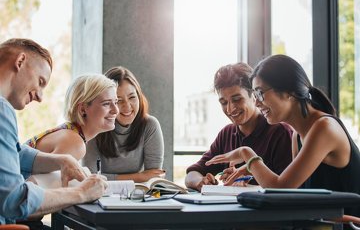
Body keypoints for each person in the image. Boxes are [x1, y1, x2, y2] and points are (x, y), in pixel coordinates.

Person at [206, 54, 360, 218]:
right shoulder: (297, 136)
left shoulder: (324, 128)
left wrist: (247, 155)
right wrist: (252, 170)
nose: (257, 103)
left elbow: (280, 189)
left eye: (259, 93)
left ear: (288, 92)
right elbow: (292, 194)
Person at [0, 38, 107, 226]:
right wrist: (81, 193)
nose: (40, 97)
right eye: (40, 82)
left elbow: (13, 153)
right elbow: (14, 201)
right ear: (20, 62)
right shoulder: (2, 110)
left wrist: (61, 160)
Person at [185, 62, 293, 191]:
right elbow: (192, 173)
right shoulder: (227, 134)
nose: (230, 109)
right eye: (224, 103)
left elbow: (285, 189)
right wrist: (200, 182)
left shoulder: (280, 132)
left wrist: (245, 185)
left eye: (237, 99)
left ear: (254, 96)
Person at [83, 66, 165, 182]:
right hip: (101, 195)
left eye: (132, 97)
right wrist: (139, 176)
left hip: (137, 195)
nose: (127, 106)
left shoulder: (150, 125)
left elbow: (153, 177)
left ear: (139, 97)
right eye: (118, 100)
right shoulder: (95, 126)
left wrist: (111, 178)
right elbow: (90, 178)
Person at [25, 74, 119, 161]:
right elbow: (36, 178)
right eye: (106, 104)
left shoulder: (71, 133)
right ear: (82, 109)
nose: (116, 110)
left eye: (115, 102)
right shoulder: (74, 143)